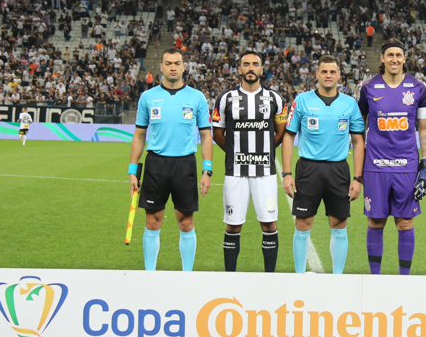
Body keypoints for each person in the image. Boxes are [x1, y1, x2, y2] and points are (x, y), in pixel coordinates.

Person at [129, 48, 213, 272]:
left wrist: (207, 170)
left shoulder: (196, 97)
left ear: (184, 67)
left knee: (186, 222)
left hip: (185, 165)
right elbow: (139, 136)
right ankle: (150, 273)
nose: (173, 67)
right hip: (156, 164)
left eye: (177, 63)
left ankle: (187, 275)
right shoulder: (148, 97)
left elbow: (206, 136)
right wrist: (132, 170)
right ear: (162, 67)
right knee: (152, 221)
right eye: (168, 63)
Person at [282, 55, 365, 274]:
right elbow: (289, 137)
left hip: (338, 170)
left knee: (339, 225)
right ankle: (299, 275)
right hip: (308, 169)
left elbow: (358, 142)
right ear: (317, 74)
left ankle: (337, 277)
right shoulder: (302, 101)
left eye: (333, 72)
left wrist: (357, 178)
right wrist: (287, 173)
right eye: (324, 71)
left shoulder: (349, 104)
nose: (328, 75)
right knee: (303, 224)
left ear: (339, 75)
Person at [356, 40, 426, 275]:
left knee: (405, 223)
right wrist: (358, 172)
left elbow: (424, 127)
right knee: (375, 222)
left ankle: (403, 279)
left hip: (407, 167)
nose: (394, 59)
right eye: (390, 55)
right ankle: (375, 278)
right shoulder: (367, 87)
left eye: (398, 55)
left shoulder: (418, 88)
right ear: (382, 58)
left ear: (404, 58)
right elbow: (358, 129)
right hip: (376, 166)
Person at [213, 51, 288, 272]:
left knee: (268, 223)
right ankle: (230, 277)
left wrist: (263, 151)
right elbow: (217, 133)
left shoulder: (275, 98)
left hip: (265, 171)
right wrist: (236, 152)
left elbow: (281, 131)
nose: (251, 68)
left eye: (255, 64)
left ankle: (269, 277)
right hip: (234, 171)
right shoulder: (225, 98)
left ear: (262, 69)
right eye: (246, 64)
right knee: (233, 224)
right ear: (239, 69)